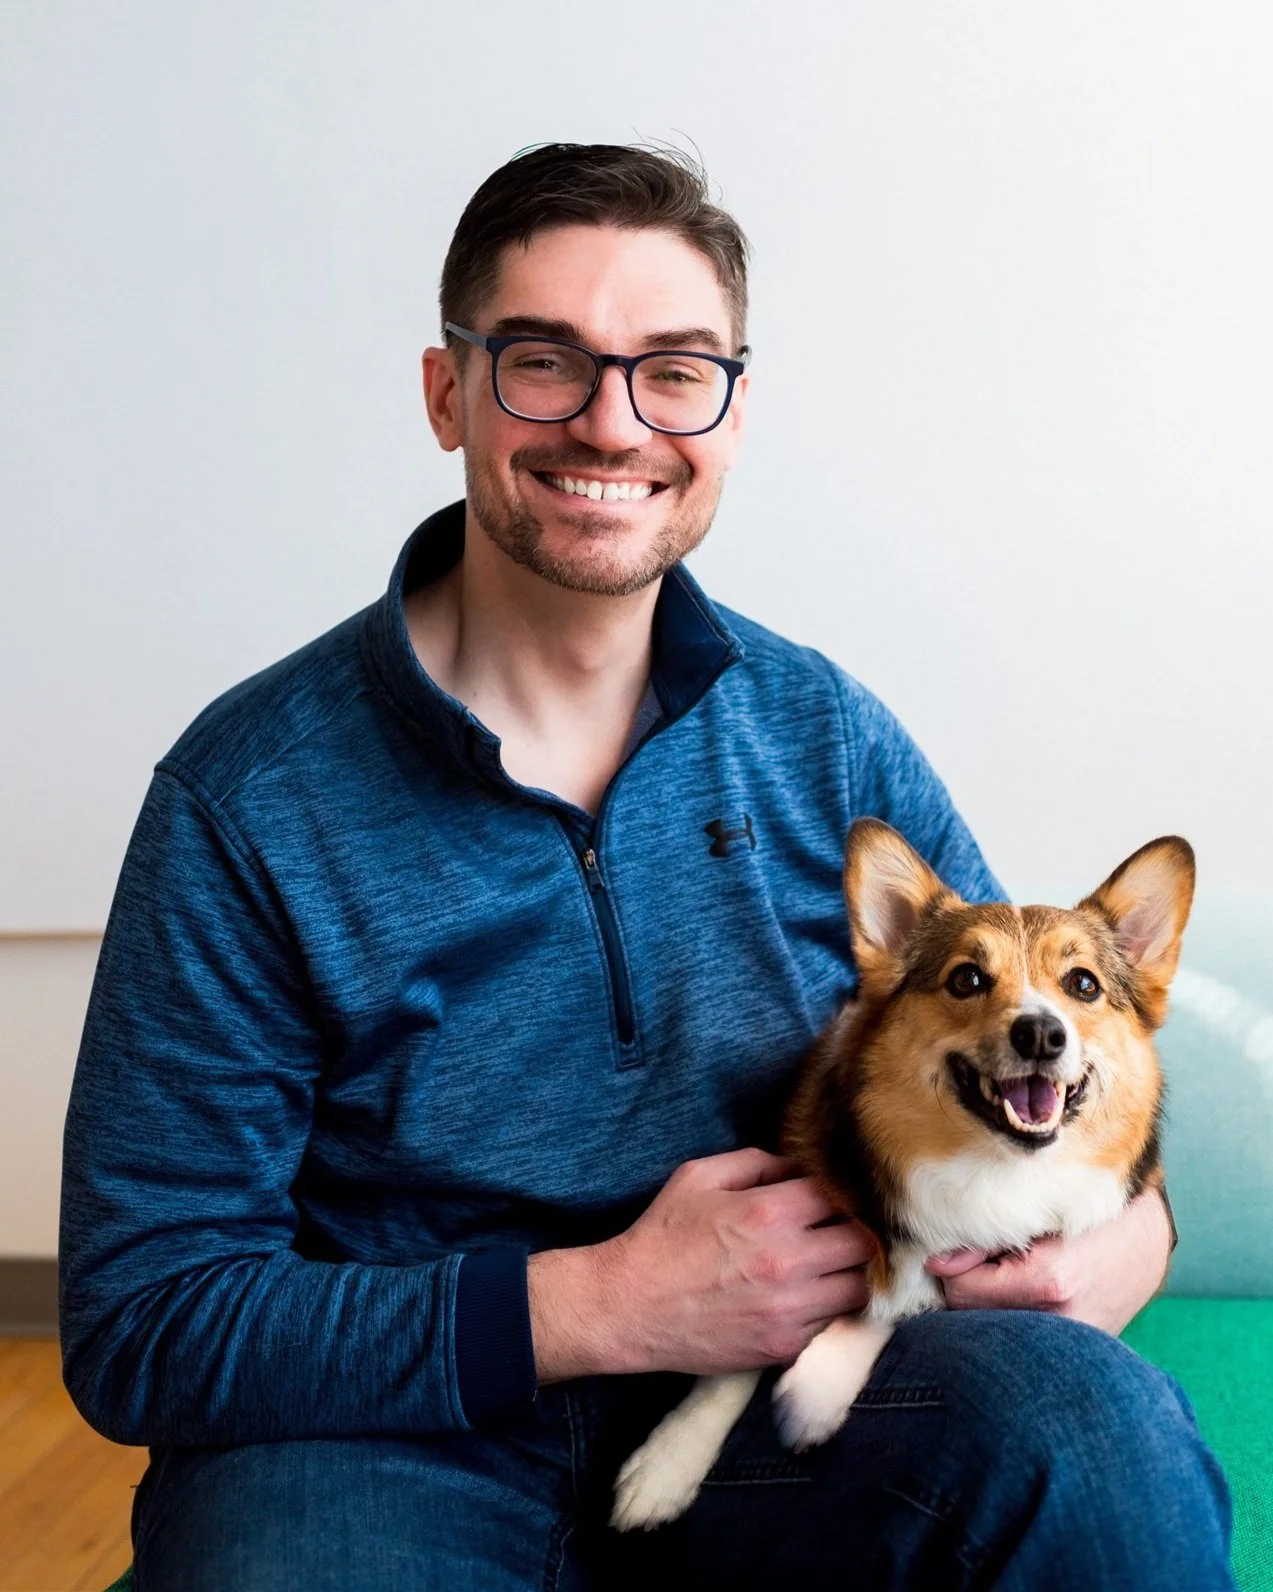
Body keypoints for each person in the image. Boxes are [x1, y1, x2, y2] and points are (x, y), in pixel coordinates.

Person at [59, 143, 1233, 1591]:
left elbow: (1036, 1054)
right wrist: (600, 1305)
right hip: (378, 1439)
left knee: (1096, 1436)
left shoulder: (829, 740)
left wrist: (1138, 1240)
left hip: (786, 1399)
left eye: (676, 370)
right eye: (544, 361)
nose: (613, 424)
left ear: (732, 412)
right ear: (447, 394)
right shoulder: (246, 801)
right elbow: (145, 1323)